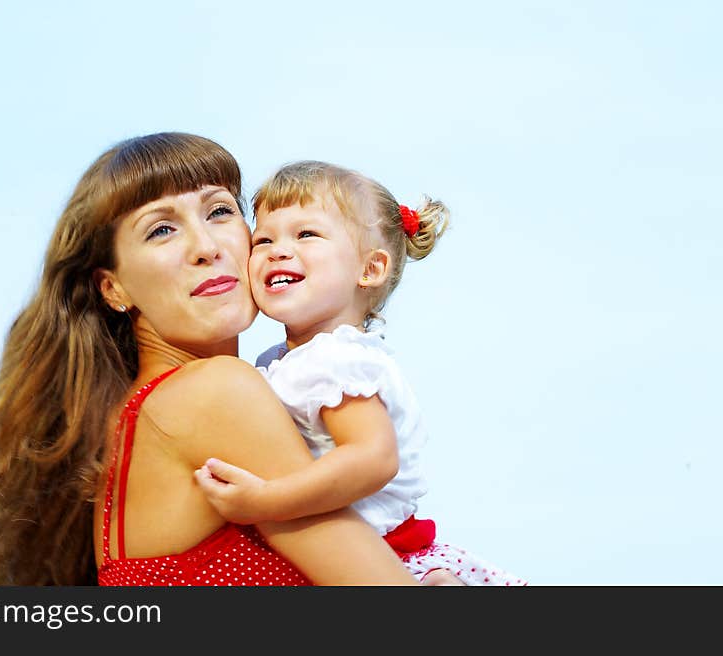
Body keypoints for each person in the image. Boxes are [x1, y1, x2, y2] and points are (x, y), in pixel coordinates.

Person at [0, 133, 423, 586]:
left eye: (219, 210)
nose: (207, 247)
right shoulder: (215, 392)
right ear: (114, 287)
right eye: (162, 229)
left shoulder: (139, 414)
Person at [194, 160, 527, 586]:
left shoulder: (335, 360)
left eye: (306, 234)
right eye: (263, 239)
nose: (278, 249)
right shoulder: (285, 359)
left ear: (369, 269)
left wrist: (265, 501)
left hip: (385, 555)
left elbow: (374, 458)